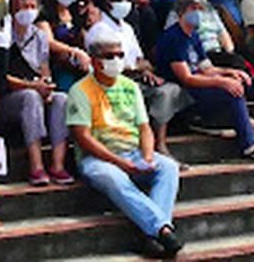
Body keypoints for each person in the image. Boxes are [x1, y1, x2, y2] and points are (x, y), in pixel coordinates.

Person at [69, 33, 184, 259]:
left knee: (168, 167)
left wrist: (149, 156)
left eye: (120, 55)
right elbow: (83, 137)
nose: (116, 60)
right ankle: (162, 229)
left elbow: (144, 128)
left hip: (134, 151)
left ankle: (151, 235)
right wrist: (121, 163)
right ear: (94, 60)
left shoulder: (131, 86)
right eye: (109, 56)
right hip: (98, 158)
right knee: (114, 178)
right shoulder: (79, 91)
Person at [155, 0, 254, 161]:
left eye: (200, 9)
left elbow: (206, 68)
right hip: (181, 90)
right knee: (231, 92)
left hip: (197, 84)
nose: (198, 13)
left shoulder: (193, 35)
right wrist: (221, 81)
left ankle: (242, 130)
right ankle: (250, 145)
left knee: (236, 84)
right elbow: (186, 78)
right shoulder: (173, 38)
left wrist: (229, 72)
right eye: (193, 9)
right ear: (181, 12)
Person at [0, 0, 72, 186]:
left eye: (32, 7)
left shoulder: (39, 36)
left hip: (36, 87)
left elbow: (44, 67)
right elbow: (0, 77)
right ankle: (36, 166)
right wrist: (33, 86)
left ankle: (58, 165)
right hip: (10, 97)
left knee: (61, 99)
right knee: (31, 97)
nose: (28, 11)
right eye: (24, 7)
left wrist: (46, 85)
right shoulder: (3, 35)